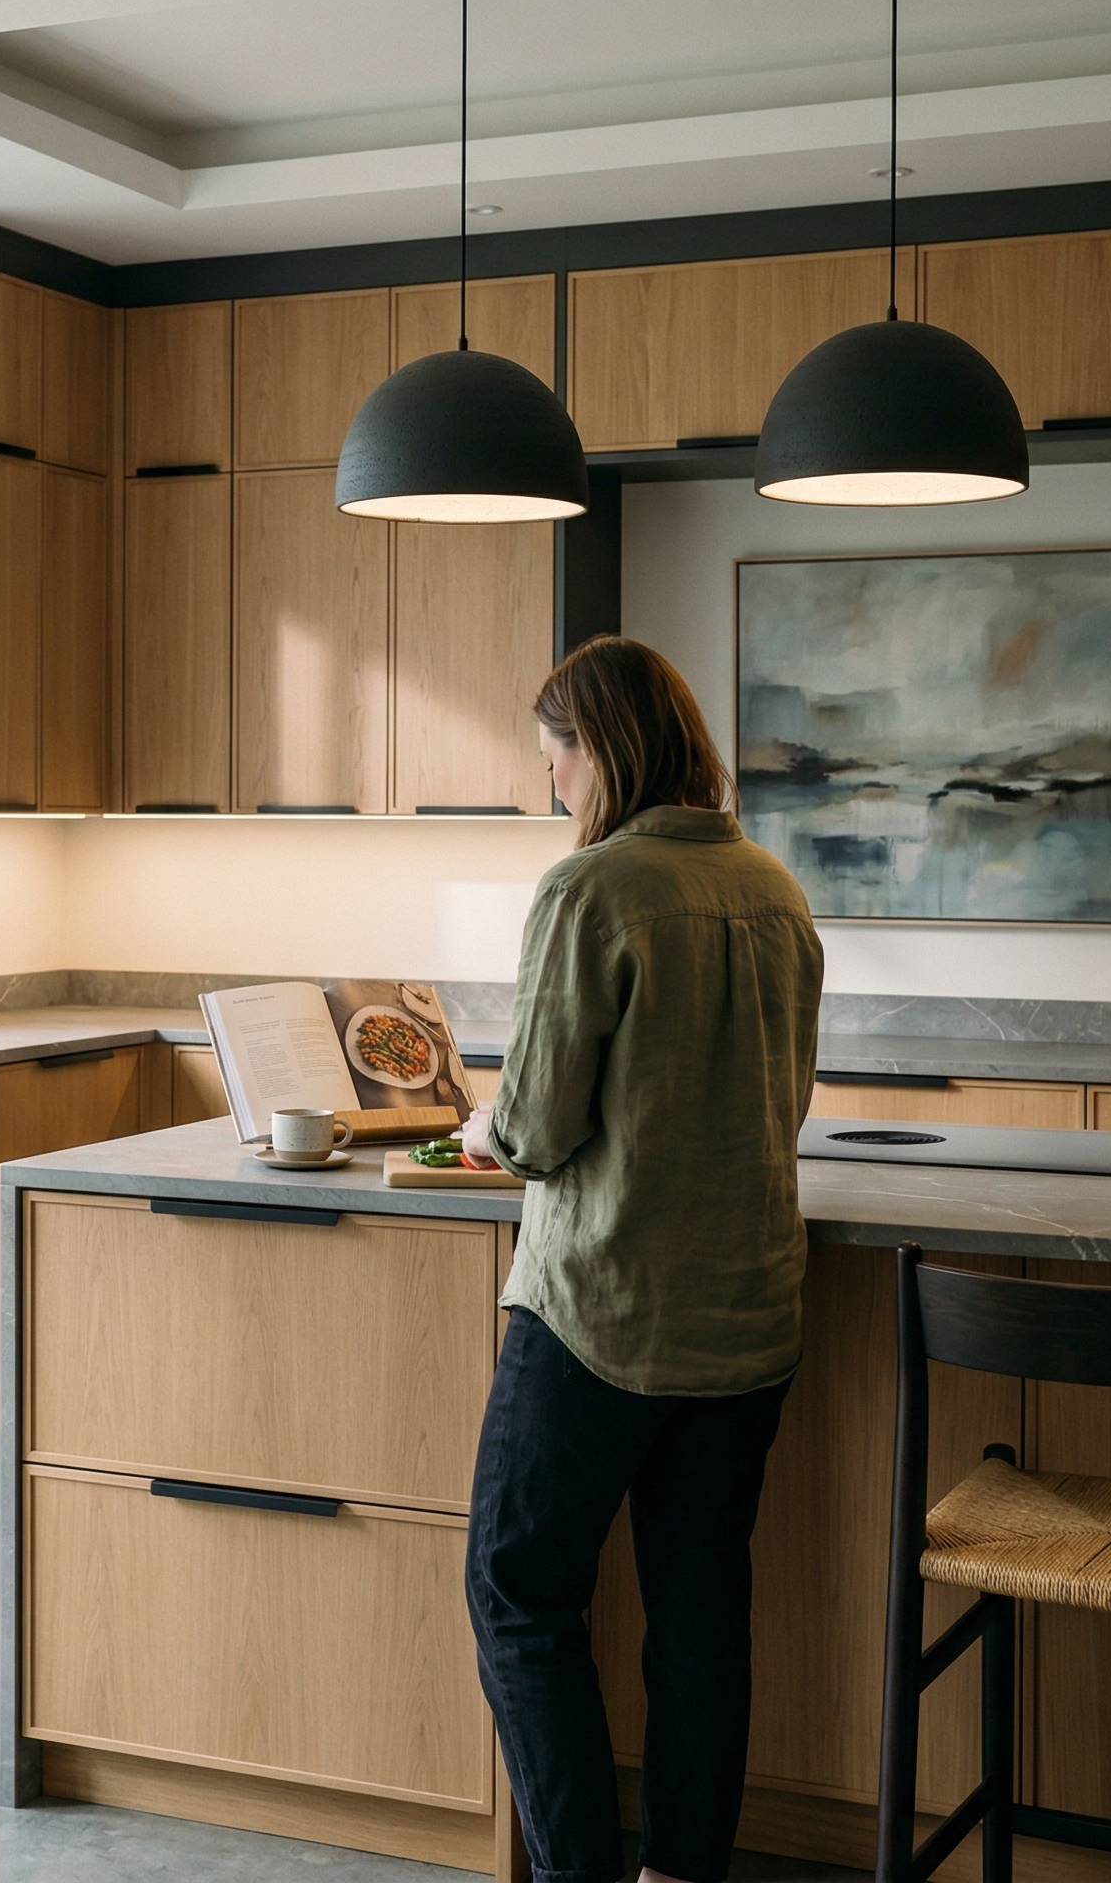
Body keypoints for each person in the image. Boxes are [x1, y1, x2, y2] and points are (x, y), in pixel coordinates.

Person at [458, 635, 822, 1883]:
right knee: (698, 1618)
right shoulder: (775, 886)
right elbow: (784, 1100)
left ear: (600, 748)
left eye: (554, 755)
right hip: (747, 1321)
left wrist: (481, 1122)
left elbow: (538, 1129)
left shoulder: (591, 889)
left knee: (516, 1593)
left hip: (598, 1317)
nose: (551, 784)